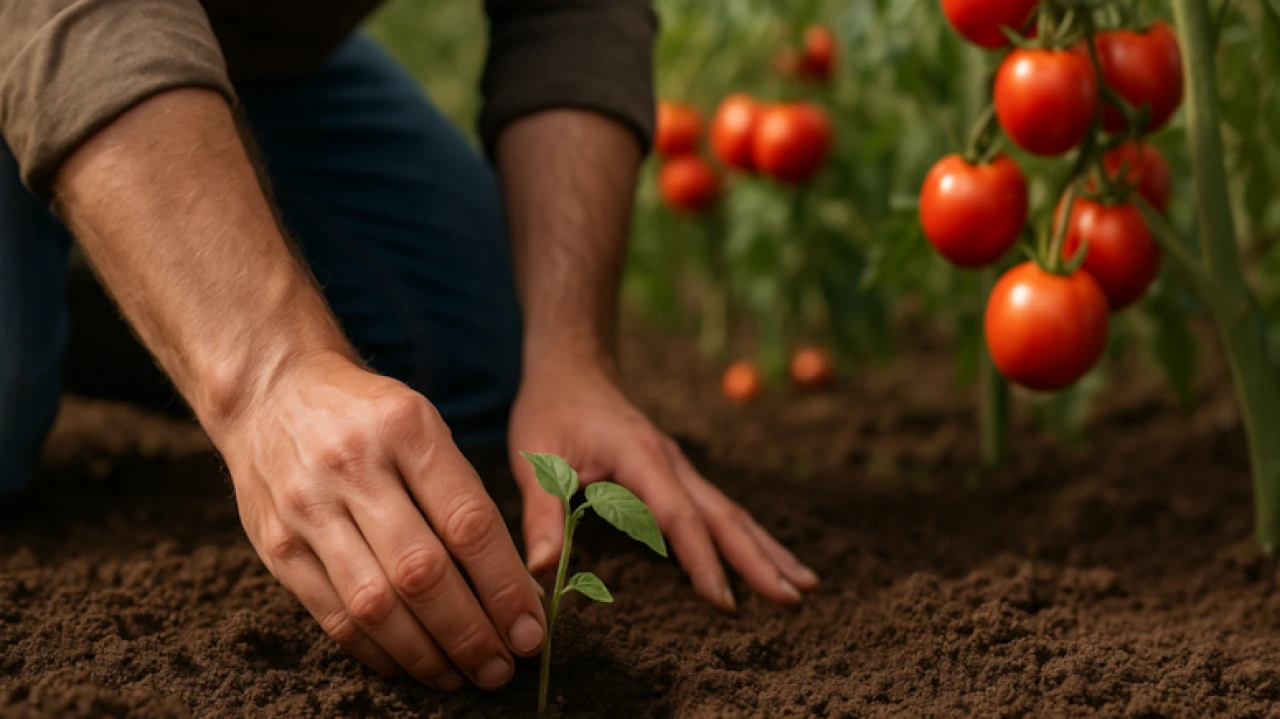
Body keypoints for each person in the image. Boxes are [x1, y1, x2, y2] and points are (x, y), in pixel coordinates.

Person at [0, 0, 818, 693]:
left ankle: (104, 271)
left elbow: (575, 10)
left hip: (259, 57)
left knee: (473, 355)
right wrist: (266, 373)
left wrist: (572, 357)